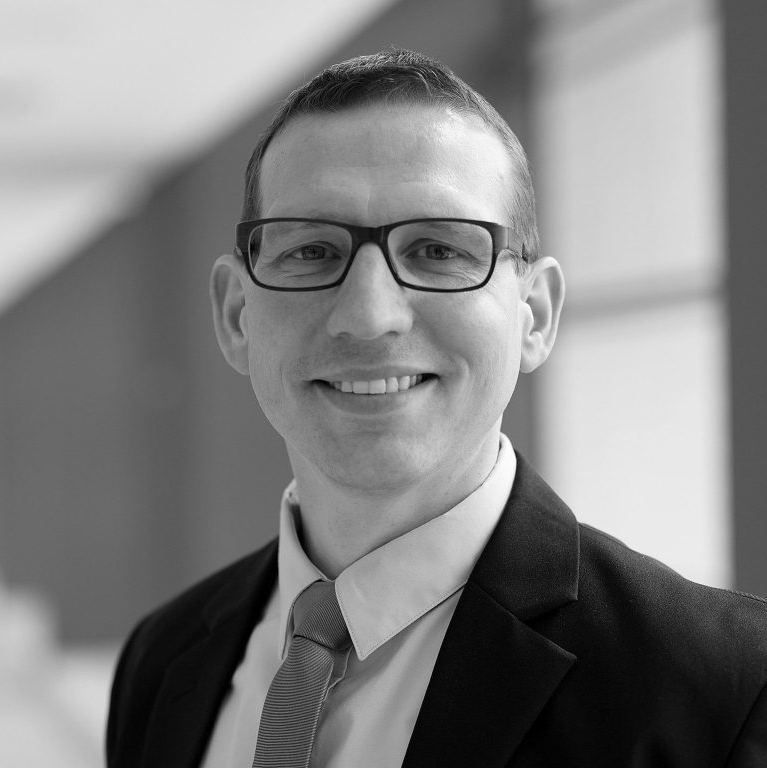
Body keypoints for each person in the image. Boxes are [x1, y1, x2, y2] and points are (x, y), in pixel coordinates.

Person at [106, 48, 767, 767]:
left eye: (437, 250)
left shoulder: (723, 689)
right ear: (237, 314)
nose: (369, 316)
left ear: (535, 315)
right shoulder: (163, 660)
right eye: (313, 251)